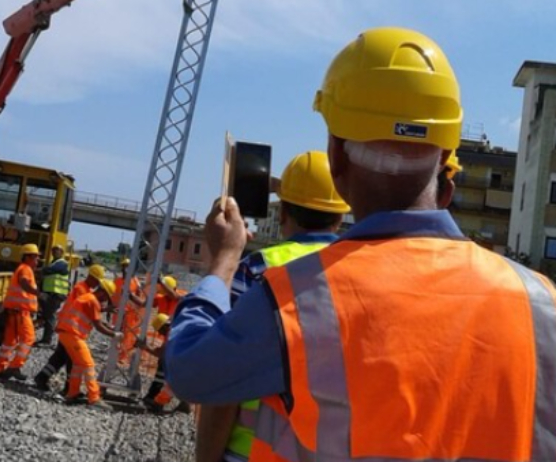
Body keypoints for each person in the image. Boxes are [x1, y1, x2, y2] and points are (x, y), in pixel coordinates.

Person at [167, 27, 556, 461]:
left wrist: (222, 263)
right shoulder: (541, 303)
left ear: (336, 158)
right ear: (447, 157)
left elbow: (191, 371)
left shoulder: (302, 298)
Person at [196, 150, 350, 461]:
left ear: (281, 215)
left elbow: (226, 373)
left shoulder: (257, 269)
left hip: (250, 450)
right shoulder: (360, 270)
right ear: (340, 216)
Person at [34, 263, 106, 391]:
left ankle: (43, 378)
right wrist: (103, 310)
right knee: (71, 358)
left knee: (61, 356)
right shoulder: (81, 289)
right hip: (70, 329)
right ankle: (68, 388)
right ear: (91, 277)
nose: (97, 284)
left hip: (69, 328)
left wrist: (102, 310)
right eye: (97, 281)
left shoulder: (85, 289)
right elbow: (85, 309)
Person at [56, 278, 121, 408]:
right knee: (88, 364)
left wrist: (109, 327)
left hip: (67, 333)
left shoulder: (88, 297)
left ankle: (72, 393)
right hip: (73, 335)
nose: (105, 301)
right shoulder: (93, 301)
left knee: (78, 365)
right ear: (102, 292)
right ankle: (94, 398)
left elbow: (95, 319)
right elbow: (98, 325)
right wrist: (114, 334)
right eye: (106, 298)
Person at [0, 243, 40, 381]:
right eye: (36, 257)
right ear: (28, 257)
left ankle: (0, 368)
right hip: (21, 312)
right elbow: (24, 282)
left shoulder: (23, 268)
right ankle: (14, 367)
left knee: (9, 342)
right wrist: (38, 293)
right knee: (29, 339)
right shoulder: (26, 269)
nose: (37, 261)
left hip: (14, 311)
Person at [113, 257, 146, 367]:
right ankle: (114, 354)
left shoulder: (135, 282)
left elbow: (140, 299)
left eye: (127, 267)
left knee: (127, 335)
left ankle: (122, 357)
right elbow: (112, 296)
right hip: (117, 311)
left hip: (130, 313)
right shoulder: (117, 281)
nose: (125, 269)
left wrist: (137, 313)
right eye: (124, 266)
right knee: (116, 333)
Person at [37, 245, 70, 346]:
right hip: (50, 293)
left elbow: (49, 270)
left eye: (57, 250)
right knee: (47, 315)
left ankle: (47, 340)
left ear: (61, 252)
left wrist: (38, 270)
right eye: (53, 250)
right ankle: (46, 339)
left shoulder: (62, 264)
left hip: (56, 294)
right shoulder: (53, 263)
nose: (54, 252)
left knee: (50, 316)